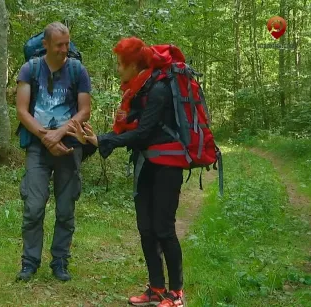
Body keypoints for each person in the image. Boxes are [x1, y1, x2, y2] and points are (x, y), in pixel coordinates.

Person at [67, 37, 186, 306]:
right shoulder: (138, 90)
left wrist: (103, 140)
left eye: (121, 64)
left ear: (134, 65)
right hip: (146, 164)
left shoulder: (158, 90)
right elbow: (133, 127)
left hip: (168, 165)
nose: (118, 69)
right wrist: (98, 137)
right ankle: (156, 288)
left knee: (164, 229)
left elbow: (144, 133)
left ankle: (176, 293)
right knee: (146, 228)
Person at [14, 21, 92, 282]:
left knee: (66, 208)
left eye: (67, 44)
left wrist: (60, 133)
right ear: (45, 44)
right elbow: (22, 110)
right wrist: (46, 137)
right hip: (38, 146)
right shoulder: (30, 69)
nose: (64, 49)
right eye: (59, 45)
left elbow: (84, 110)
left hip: (70, 145)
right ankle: (29, 262)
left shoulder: (78, 70)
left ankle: (60, 262)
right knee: (34, 207)